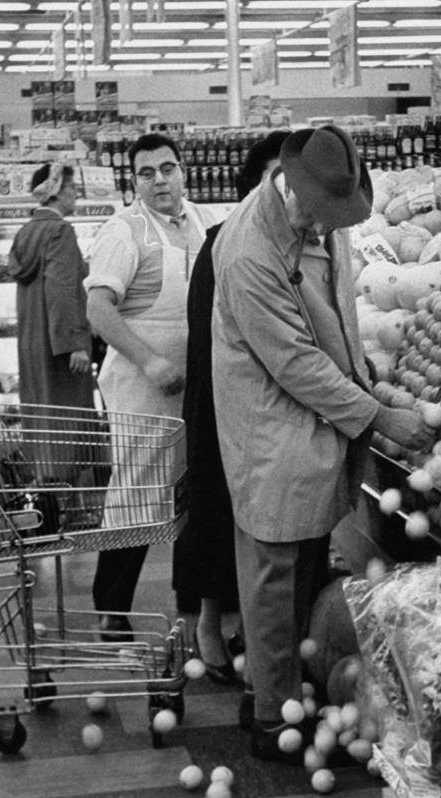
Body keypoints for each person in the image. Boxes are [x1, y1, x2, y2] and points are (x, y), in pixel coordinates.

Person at [211, 124, 433, 764]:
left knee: (304, 560)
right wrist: (377, 417)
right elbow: (296, 363)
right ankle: (271, 722)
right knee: (273, 571)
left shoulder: (318, 221)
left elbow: (334, 316)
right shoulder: (249, 251)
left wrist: (370, 384)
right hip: (271, 425)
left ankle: (287, 692)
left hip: (317, 417)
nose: (323, 226)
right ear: (289, 184)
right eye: (318, 213)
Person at [85, 133, 217, 642]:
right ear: (134, 181)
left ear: (183, 171)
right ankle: (111, 610)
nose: (160, 180)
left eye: (167, 168)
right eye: (147, 173)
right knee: (137, 496)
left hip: (201, 379)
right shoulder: (124, 230)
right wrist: (151, 362)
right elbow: (99, 309)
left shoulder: (207, 222)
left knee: (197, 492)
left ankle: (194, 602)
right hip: (144, 383)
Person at [171, 130, 290, 684]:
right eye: (274, 178)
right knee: (215, 511)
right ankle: (207, 625)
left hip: (267, 410)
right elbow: (208, 339)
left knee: (254, 523)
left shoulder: (296, 245)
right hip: (221, 400)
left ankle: (250, 629)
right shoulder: (222, 242)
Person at [8, 162, 92, 409]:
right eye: (72, 186)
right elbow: (61, 290)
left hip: (31, 343)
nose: (76, 192)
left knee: (41, 419)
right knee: (68, 420)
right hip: (61, 351)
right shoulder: (60, 231)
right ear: (55, 190)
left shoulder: (25, 232)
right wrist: (75, 344)